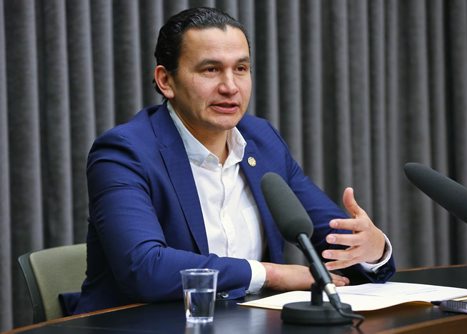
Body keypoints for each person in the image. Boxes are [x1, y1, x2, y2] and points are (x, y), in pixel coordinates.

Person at [65, 7, 395, 315]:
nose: (230, 86)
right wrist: (270, 274)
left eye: (240, 69)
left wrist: (372, 250)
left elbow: (332, 249)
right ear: (166, 81)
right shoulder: (125, 152)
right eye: (210, 70)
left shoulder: (262, 141)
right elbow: (145, 268)